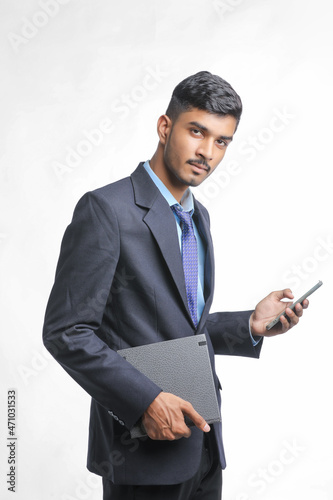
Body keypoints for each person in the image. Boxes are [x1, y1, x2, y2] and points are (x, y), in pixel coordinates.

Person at [42, 71, 309, 500]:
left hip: (203, 445)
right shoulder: (105, 210)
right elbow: (66, 332)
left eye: (222, 141)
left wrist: (249, 326)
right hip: (141, 452)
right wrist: (145, 400)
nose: (207, 152)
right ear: (165, 127)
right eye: (197, 132)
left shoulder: (197, 216)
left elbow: (179, 326)